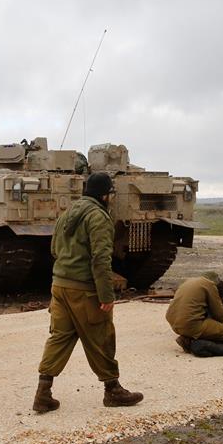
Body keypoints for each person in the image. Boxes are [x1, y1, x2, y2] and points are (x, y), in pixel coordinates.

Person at [33, 172, 143, 413]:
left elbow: (53, 249)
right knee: (101, 336)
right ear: (104, 195)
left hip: (59, 287)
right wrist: (106, 296)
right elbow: (101, 260)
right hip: (83, 290)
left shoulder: (68, 214)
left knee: (59, 337)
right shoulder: (98, 217)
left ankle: (43, 393)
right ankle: (112, 390)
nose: (112, 198)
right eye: (111, 194)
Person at [165, 272, 223, 356]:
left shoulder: (191, 282)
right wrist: (216, 328)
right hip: (189, 325)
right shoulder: (210, 285)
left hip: (174, 323)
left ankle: (189, 335)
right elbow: (218, 312)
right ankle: (189, 342)